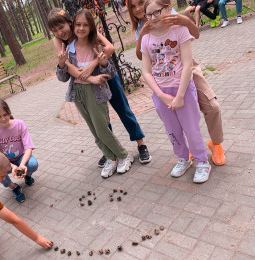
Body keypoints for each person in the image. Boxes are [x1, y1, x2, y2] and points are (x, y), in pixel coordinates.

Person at [47, 7, 152, 168]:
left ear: (70, 22)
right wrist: (90, 78)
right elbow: (67, 67)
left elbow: (110, 48)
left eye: (61, 28)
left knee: (123, 109)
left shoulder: (83, 29)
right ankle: (111, 150)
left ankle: (141, 143)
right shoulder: (58, 42)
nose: (59, 33)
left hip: (106, 75)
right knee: (101, 119)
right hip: (89, 83)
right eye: (55, 30)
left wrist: (91, 66)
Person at [127, 0, 226, 166]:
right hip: (164, 77)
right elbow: (141, 56)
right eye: (132, 6)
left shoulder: (163, 9)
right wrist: (143, 35)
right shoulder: (140, 28)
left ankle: (216, 144)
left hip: (187, 67)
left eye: (140, 3)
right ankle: (187, 152)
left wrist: (185, 21)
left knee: (212, 106)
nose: (137, 9)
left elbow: (195, 34)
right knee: (175, 121)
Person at [140, 0, 212, 183]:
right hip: (161, 93)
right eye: (149, 14)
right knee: (172, 130)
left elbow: (188, 64)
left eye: (157, 12)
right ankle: (183, 158)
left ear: (167, 8)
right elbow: (146, 72)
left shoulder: (180, 31)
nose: (153, 17)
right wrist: (161, 95)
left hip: (183, 89)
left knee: (191, 127)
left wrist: (180, 95)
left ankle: (202, 161)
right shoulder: (147, 39)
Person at [0, 99, 37, 203]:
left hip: (20, 157)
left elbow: (28, 147)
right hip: (3, 161)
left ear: (9, 112)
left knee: (33, 164)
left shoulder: (20, 124)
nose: (3, 119)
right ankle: (14, 187)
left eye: (5, 114)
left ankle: (27, 175)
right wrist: (12, 167)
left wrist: (22, 165)